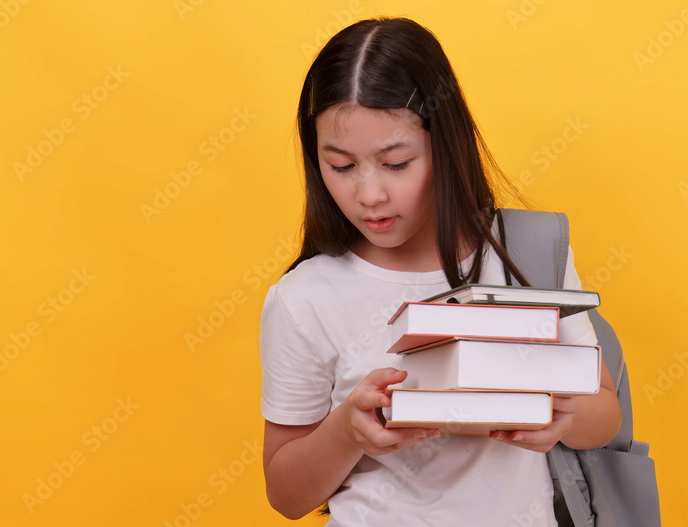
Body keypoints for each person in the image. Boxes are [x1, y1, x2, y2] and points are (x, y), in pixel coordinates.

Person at [259, 17, 620, 526]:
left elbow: (604, 415)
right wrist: (346, 431)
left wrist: (557, 413)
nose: (369, 195)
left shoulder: (523, 253)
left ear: (445, 148)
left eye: (397, 163)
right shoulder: (304, 298)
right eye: (340, 166)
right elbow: (286, 494)